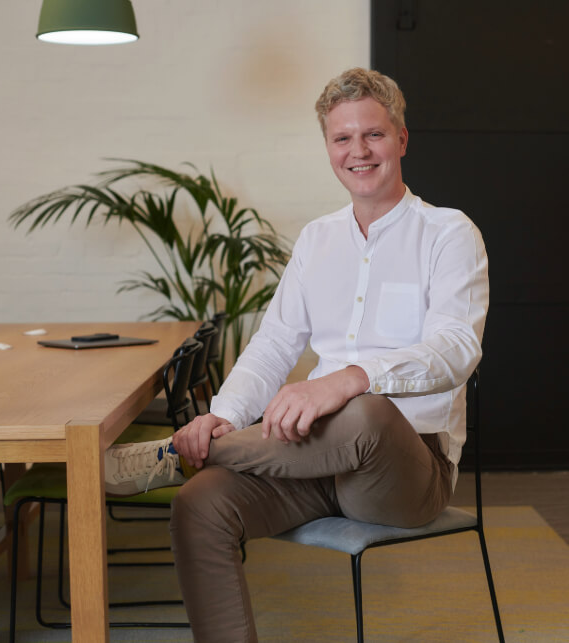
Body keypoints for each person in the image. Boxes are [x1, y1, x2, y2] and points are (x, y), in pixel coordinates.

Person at [104, 68, 489, 642]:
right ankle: (204, 452)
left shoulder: (448, 233)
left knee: (364, 408)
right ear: (328, 149)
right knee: (199, 503)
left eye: (374, 135)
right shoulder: (317, 240)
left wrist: (351, 377)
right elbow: (276, 342)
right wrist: (227, 414)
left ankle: (186, 451)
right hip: (308, 458)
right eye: (342, 139)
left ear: (401, 140)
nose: (358, 151)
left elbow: (457, 348)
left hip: (406, 470)